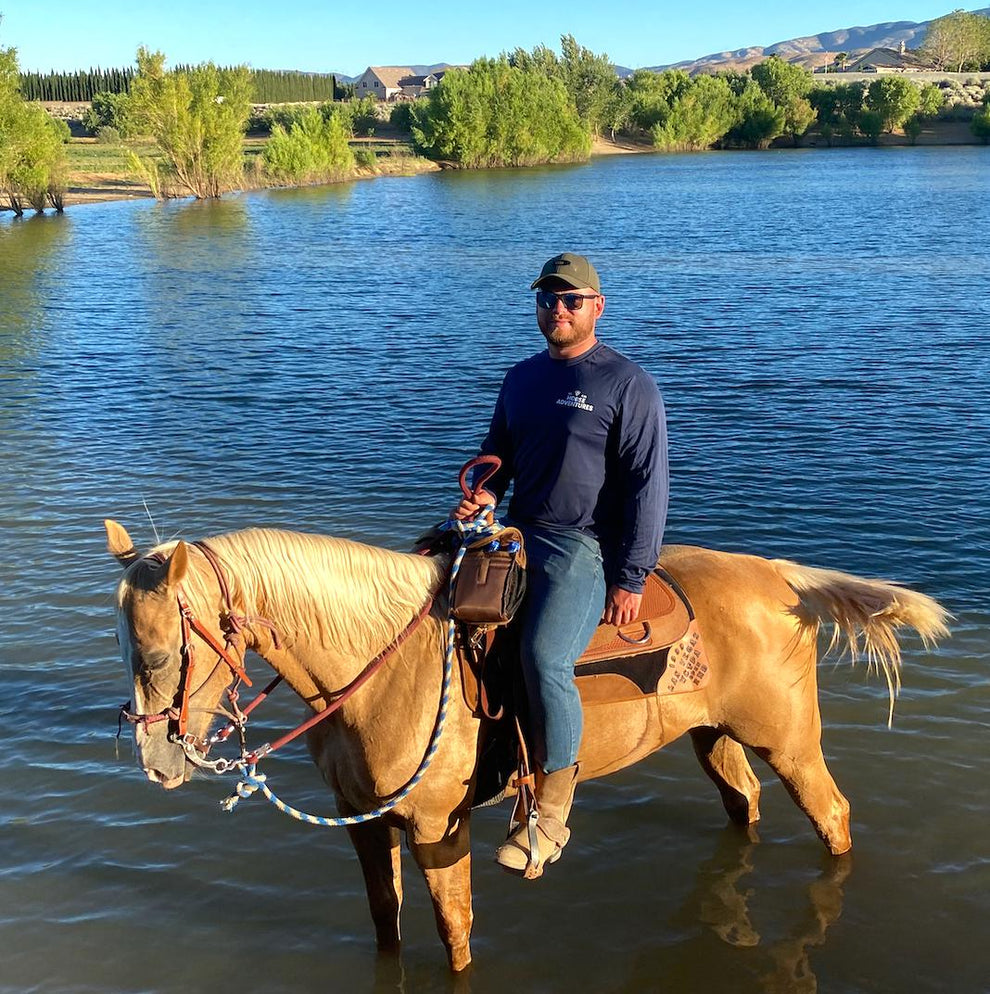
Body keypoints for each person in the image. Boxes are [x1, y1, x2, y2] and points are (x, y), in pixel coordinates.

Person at [452, 252, 668, 877]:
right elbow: (499, 454)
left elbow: (648, 486)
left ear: (597, 307)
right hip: (519, 535)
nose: (558, 309)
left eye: (571, 300)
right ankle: (487, 763)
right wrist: (485, 494)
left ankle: (551, 814)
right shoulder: (520, 379)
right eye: (548, 299)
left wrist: (632, 576)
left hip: (584, 545)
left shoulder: (626, 383)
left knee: (544, 658)